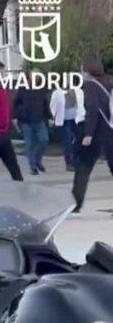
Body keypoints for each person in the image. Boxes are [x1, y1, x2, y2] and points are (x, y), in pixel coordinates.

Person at [72, 59, 113, 213]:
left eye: (82, 71)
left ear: (87, 72)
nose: (81, 74)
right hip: (111, 131)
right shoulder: (109, 83)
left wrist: (88, 134)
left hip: (97, 133)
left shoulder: (90, 86)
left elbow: (92, 109)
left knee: (83, 167)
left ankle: (76, 203)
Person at [13, 76, 51, 176]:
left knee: (44, 140)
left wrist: (50, 117)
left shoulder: (41, 90)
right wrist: (15, 117)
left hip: (39, 120)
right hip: (26, 121)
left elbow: (45, 104)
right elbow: (15, 103)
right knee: (29, 144)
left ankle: (37, 160)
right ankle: (33, 167)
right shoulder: (23, 89)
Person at [50, 85, 85, 171]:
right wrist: (52, 117)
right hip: (64, 120)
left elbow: (81, 104)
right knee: (67, 141)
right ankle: (69, 163)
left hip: (76, 119)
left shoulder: (78, 92)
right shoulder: (57, 93)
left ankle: (76, 160)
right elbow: (53, 106)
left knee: (78, 140)